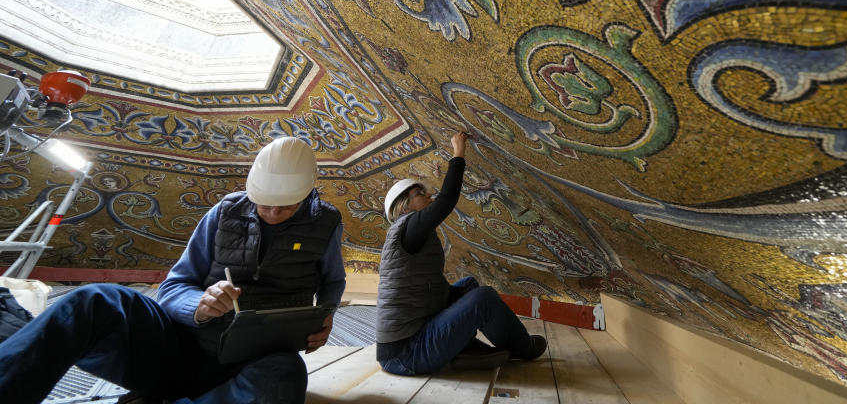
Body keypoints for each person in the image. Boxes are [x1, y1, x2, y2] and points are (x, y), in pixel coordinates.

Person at [0, 136, 345, 404]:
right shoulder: (224, 213)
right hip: (178, 346)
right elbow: (175, 286)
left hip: (253, 360)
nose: (271, 213)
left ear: (307, 193)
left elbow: (333, 281)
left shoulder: (326, 224)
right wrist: (198, 305)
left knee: (284, 377)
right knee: (95, 300)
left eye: (284, 208)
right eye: (263, 204)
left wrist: (324, 318)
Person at [376, 130, 547, 375]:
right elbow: (446, 199)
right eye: (421, 194)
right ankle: (524, 348)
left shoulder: (410, 232)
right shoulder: (408, 227)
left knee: (468, 286)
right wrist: (458, 152)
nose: (429, 196)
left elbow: (429, 290)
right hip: (405, 353)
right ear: (404, 204)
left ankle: (463, 349)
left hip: (416, 335)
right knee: (483, 298)